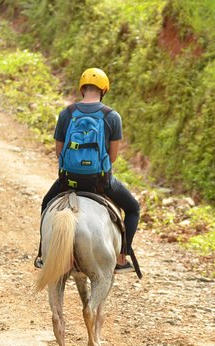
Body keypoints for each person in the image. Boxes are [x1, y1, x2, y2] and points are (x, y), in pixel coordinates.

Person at [34, 67, 140, 273]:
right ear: (104, 90)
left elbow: (58, 151)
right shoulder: (112, 116)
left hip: (68, 180)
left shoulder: (67, 114)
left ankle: (42, 254)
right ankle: (121, 256)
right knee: (133, 208)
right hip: (99, 181)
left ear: (83, 89)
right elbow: (113, 157)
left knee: (47, 204)